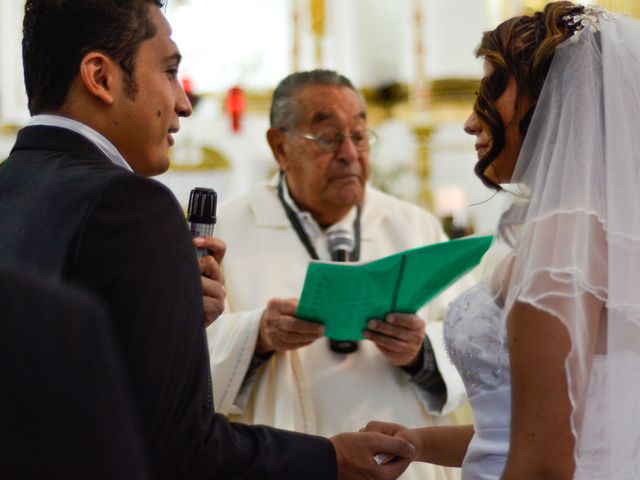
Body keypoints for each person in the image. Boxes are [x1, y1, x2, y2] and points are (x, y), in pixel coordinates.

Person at [0, 1, 415, 479]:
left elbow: (62, 375)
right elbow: (179, 449)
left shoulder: (11, 188)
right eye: (171, 71)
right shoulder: (131, 204)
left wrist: (171, 318)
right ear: (101, 77)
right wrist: (333, 458)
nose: (184, 102)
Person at [364, 2, 640, 479]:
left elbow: (542, 467)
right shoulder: (602, 233)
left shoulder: (560, 248)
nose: (472, 121)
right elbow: (542, 428)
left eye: (491, 89)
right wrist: (419, 441)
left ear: (550, 100)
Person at [207, 69, 474, 480]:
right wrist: (256, 335)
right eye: (329, 138)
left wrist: (421, 353)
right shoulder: (228, 231)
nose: (350, 153)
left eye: (361, 136)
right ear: (280, 147)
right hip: (289, 465)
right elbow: (181, 354)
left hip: (404, 466)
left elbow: (477, 342)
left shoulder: (414, 227)